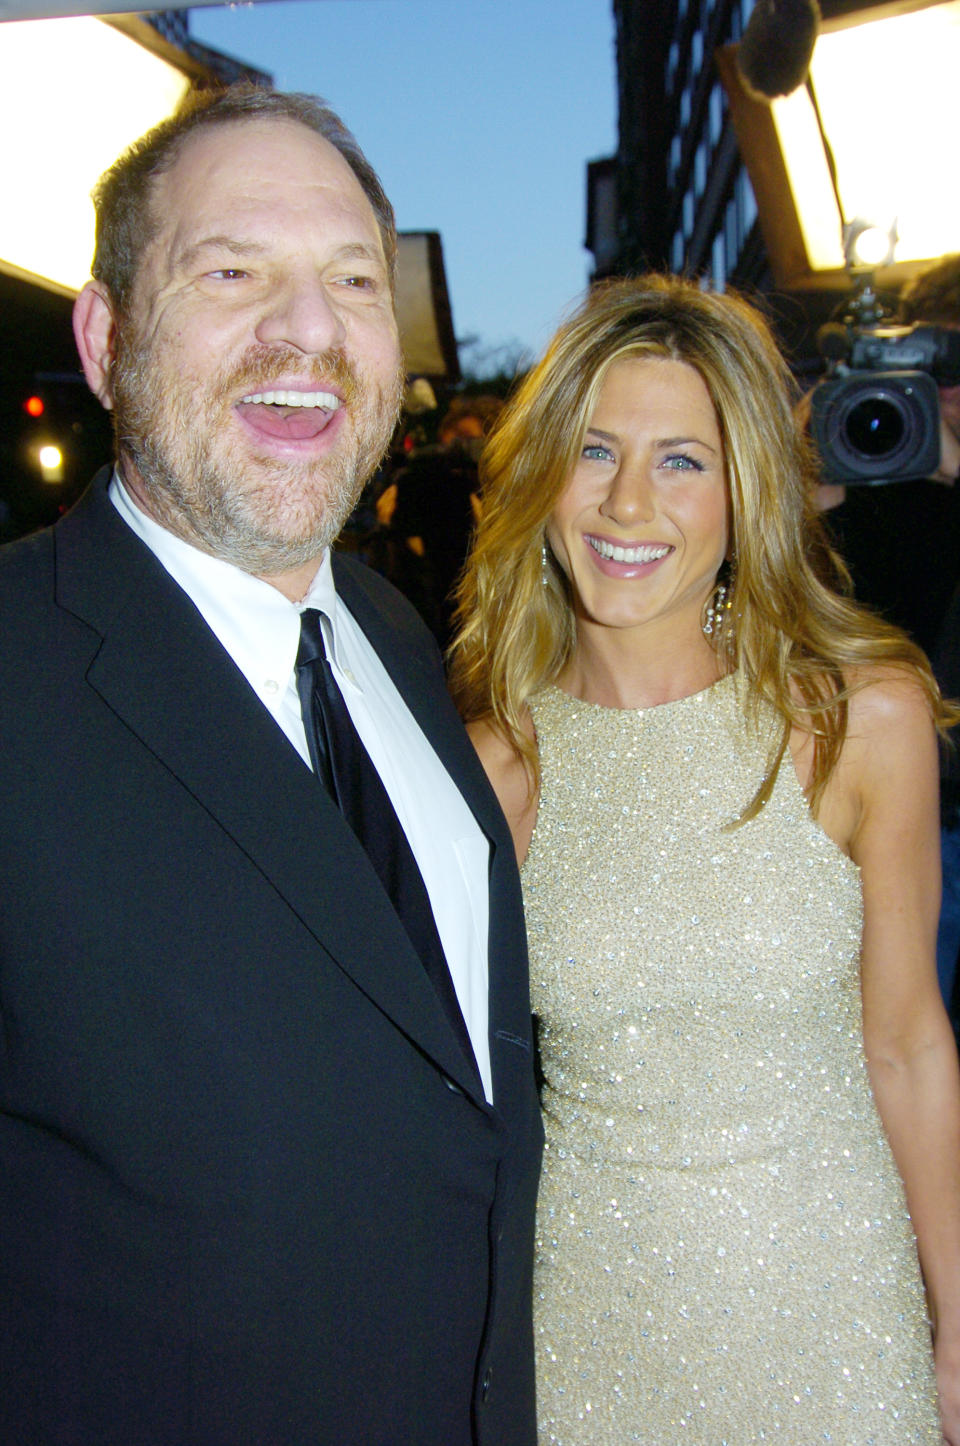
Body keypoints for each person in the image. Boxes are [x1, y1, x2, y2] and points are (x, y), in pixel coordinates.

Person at [0, 85, 542, 1446]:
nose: (307, 328)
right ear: (109, 336)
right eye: (231, 271)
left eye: (351, 279)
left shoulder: (398, 636)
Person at [450, 273, 960, 1443]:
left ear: (747, 494)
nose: (630, 503)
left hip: (838, 1311)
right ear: (539, 478)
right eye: (593, 450)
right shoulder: (489, 773)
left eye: (683, 458)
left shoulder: (857, 721)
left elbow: (909, 1044)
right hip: (589, 1329)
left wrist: (956, 1331)